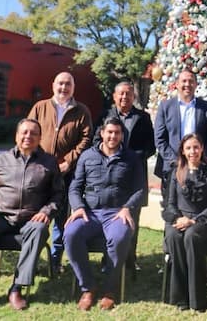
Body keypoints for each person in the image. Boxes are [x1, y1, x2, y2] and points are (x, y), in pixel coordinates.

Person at [0, 119, 63, 313]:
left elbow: (58, 195)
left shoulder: (49, 162)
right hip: (1, 218)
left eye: (33, 134)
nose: (28, 136)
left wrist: (45, 212)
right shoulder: (1, 160)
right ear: (17, 135)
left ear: (39, 138)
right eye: (24, 132)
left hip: (31, 220)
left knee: (38, 230)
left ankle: (17, 288)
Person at [65, 117, 144, 311]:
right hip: (89, 213)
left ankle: (110, 290)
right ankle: (88, 287)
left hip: (116, 214)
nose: (113, 136)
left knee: (119, 238)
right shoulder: (87, 156)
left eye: (117, 133)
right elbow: (75, 187)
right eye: (109, 132)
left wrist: (128, 208)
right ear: (102, 133)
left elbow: (140, 189)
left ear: (122, 136)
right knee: (70, 234)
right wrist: (78, 207)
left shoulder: (132, 158)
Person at [27, 71, 92, 272]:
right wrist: (38, 159)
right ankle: (32, 258)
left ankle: (55, 261)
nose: (63, 88)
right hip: (40, 172)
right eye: (60, 84)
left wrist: (69, 161)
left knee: (61, 218)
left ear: (73, 88)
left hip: (67, 173)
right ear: (53, 85)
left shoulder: (81, 111)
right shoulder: (40, 107)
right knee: (37, 215)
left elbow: (86, 139)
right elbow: (28, 132)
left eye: (68, 84)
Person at [92, 80, 155, 275]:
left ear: (133, 97)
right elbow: (95, 142)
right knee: (109, 217)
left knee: (131, 218)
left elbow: (150, 146)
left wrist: (133, 158)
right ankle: (107, 259)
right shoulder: (105, 115)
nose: (124, 97)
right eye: (121, 94)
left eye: (128, 94)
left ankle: (130, 260)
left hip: (134, 175)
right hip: (108, 177)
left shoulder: (143, 118)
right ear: (114, 96)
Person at [162, 134, 207, 312]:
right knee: (173, 235)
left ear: (202, 148)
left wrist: (193, 220)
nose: (192, 152)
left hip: (203, 220)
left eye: (196, 147)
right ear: (182, 150)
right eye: (188, 148)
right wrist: (178, 219)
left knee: (191, 236)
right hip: (179, 218)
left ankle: (198, 299)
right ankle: (180, 296)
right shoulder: (176, 171)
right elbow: (170, 203)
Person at [154, 69, 207, 207]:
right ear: (177, 84)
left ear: (196, 84)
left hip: (199, 168)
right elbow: (159, 138)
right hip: (172, 167)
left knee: (197, 207)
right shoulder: (165, 106)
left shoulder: (206, 108)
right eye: (184, 81)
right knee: (171, 208)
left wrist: (201, 160)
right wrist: (177, 161)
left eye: (191, 81)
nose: (187, 84)